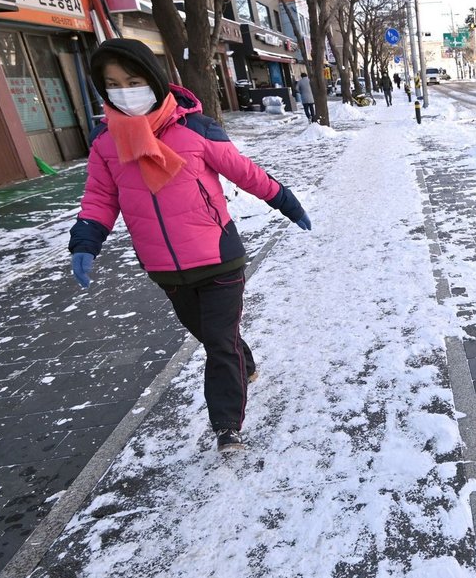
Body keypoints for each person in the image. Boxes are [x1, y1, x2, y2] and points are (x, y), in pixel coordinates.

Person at [69, 39, 311, 453]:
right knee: (213, 336)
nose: (124, 90)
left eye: (133, 80)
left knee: (218, 342)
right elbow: (100, 198)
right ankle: (245, 365)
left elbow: (246, 173)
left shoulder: (195, 129)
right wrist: (86, 240)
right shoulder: (106, 142)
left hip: (218, 256)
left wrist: (287, 202)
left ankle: (225, 427)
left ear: (154, 80)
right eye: (112, 83)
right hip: (164, 267)